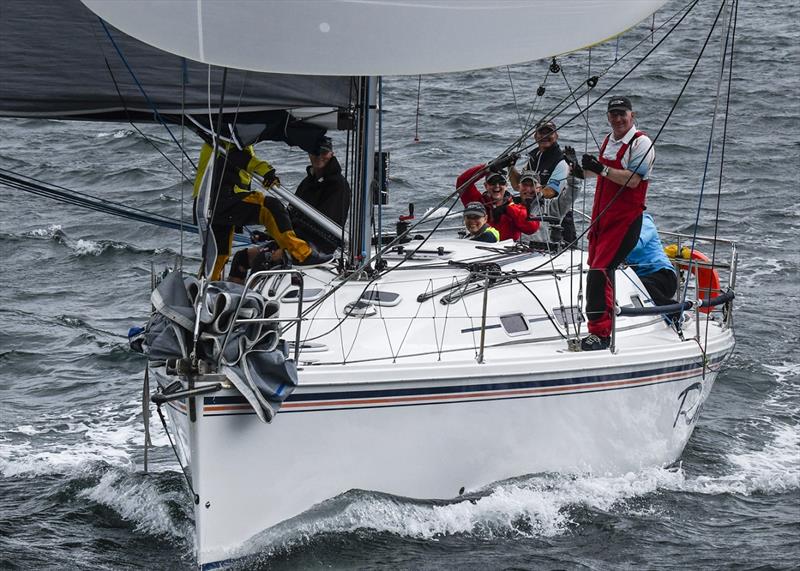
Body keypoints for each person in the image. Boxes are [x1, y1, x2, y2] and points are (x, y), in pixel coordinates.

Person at [193, 139, 333, 281]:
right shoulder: (227, 136)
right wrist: (266, 171)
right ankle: (302, 254)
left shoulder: (216, 135)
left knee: (218, 254)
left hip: (206, 203)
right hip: (221, 198)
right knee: (270, 206)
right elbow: (236, 156)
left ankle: (205, 286)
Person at [579, 96, 656, 351]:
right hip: (602, 220)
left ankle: (600, 334)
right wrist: (578, 169)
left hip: (624, 221)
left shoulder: (641, 142)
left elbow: (633, 180)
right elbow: (599, 172)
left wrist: (600, 169)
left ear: (632, 115)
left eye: (622, 113)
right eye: (613, 114)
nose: (618, 119)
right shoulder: (609, 140)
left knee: (599, 273)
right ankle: (602, 327)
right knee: (598, 271)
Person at [227, 137, 351, 283]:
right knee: (241, 257)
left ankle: (250, 300)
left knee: (264, 258)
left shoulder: (338, 186)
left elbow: (324, 228)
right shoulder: (307, 183)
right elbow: (290, 214)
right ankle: (232, 298)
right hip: (296, 240)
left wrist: (287, 240)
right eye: (315, 152)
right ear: (309, 154)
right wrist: (271, 235)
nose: (319, 156)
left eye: (324, 153)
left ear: (332, 154)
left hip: (318, 245)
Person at [510, 120, 577, 243]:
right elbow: (517, 185)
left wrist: (528, 194)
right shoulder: (533, 156)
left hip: (556, 216)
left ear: (556, 136)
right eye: (541, 132)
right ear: (535, 136)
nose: (545, 136)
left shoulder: (561, 161)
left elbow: (551, 191)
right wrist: (510, 166)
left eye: (549, 133)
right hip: (534, 214)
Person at [515, 149, 583, 246]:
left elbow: (572, 192)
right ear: (518, 187)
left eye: (533, 185)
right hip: (513, 254)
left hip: (543, 255)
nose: (529, 189)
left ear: (539, 188)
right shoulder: (510, 207)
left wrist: (574, 173)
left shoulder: (552, 207)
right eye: (525, 185)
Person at [457, 164, 539, 241]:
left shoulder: (516, 207)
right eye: (492, 182)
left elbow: (531, 228)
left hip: (505, 253)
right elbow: (462, 182)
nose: (497, 185)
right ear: (486, 185)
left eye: (501, 182)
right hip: (478, 248)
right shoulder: (477, 202)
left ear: (506, 186)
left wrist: (508, 209)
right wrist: (487, 167)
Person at [626, 213, 677, 306]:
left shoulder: (645, 222)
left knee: (641, 284)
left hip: (663, 275)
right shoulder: (621, 226)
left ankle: (673, 311)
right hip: (638, 277)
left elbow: (636, 244)